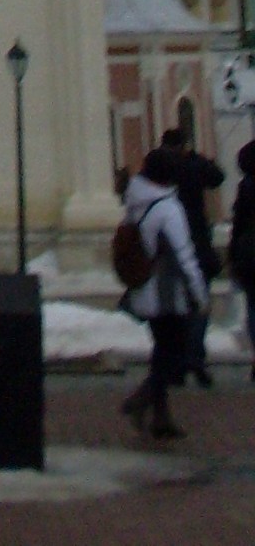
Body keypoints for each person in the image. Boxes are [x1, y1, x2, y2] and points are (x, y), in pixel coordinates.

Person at [119, 147, 208, 440]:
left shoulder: (136, 202)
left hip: (144, 287)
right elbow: (184, 255)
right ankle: (141, 399)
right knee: (175, 354)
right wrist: (199, 294)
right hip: (168, 292)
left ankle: (160, 416)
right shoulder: (168, 208)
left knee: (162, 350)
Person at [159, 124, 225, 387]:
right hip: (196, 244)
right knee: (198, 305)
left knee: (174, 309)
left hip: (168, 250)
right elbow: (217, 177)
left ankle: (176, 363)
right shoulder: (193, 166)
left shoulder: (159, 170)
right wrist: (196, 158)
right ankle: (194, 357)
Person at [228, 139, 255, 385]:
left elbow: (238, 226)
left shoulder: (245, 187)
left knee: (253, 307)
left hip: (250, 256)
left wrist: (233, 256)